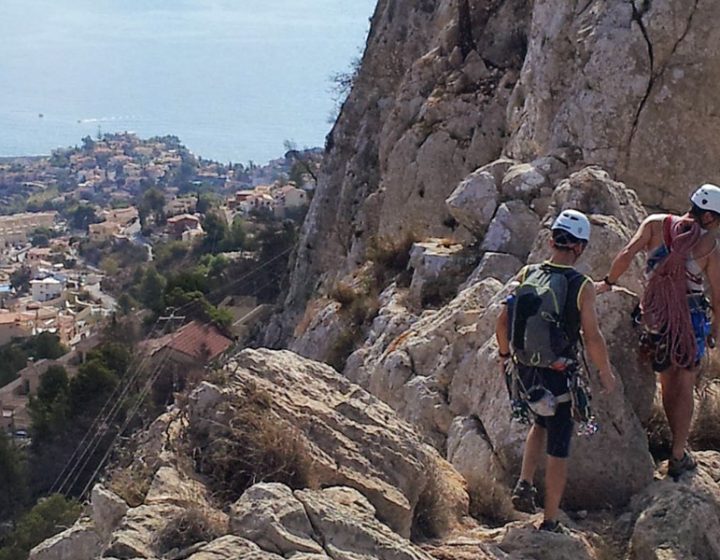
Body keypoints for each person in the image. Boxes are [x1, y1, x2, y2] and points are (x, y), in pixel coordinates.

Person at [496, 209, 616, 532]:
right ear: (581, 247)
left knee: (539, 422)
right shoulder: (581, 285)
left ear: (552, 240)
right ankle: (549, 521)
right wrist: (605, 372)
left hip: (526, 371)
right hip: (560, 374)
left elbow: (503, 320)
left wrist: (504, 356)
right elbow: (592, 337)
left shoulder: (528, 273)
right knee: (559, 445)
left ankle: (524, 482)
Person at [597, 184, 720, 478]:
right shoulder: (709, 248)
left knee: (667, 382)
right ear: (711, 218)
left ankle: (674, 451)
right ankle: (679, 453)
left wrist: (608, 281)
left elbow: (627, 253)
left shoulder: (655, 225)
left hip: (656, 317)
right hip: (689, 321)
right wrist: (716, 328)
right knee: (685, 383)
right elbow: (718, 295)